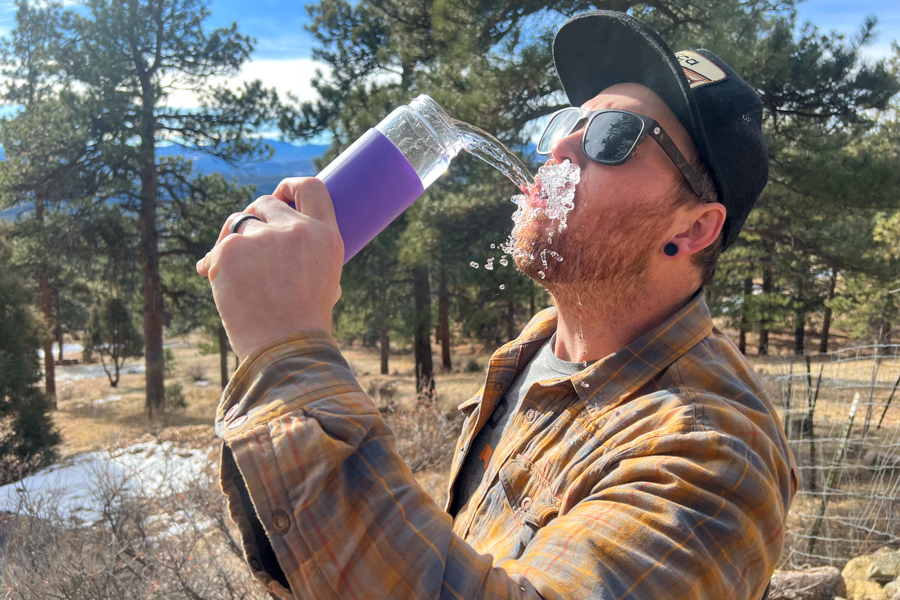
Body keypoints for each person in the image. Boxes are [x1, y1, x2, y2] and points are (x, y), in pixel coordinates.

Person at [196, 11, 797, 600]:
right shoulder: (535, 350)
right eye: (567, 121)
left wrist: (287, 354)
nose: (559, 146)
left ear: (693, 229)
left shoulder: (713, 455)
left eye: (612, 136)